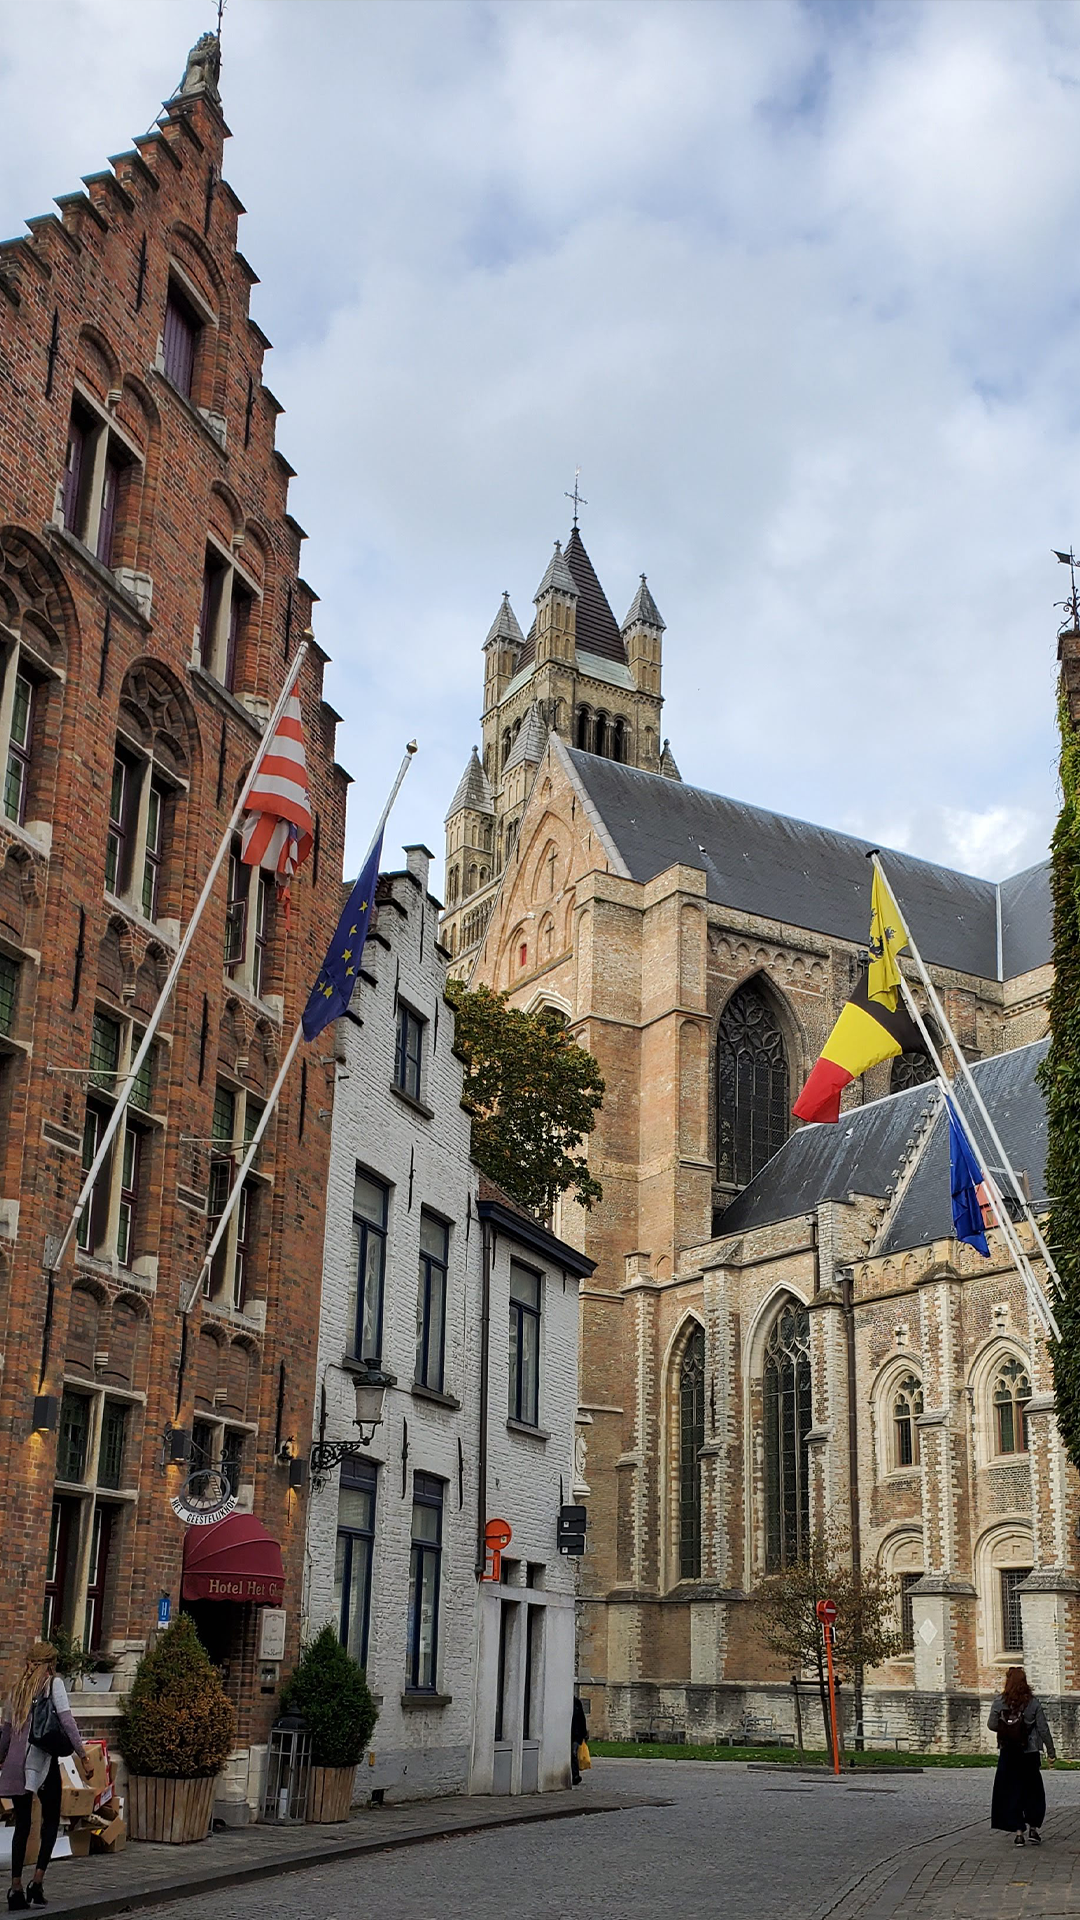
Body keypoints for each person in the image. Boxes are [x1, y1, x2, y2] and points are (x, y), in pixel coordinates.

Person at [0, 1641, 91, 1909]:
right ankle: (36, 1881)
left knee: (23, 1825)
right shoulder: (53, 1685)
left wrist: (2, 1759)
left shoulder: (15, 1691)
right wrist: (83, 1756)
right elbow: (67, 1722)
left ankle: (15, 1887)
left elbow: (5, 1734)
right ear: (50, 1664)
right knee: (51, 1820)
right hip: (43, 1761)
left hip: (16, 1765)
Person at [989, 1665, 1056, 1845]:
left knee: (1012, 1792)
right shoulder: (1032, 1703)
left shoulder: (1000, 1701)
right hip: (1029, 1752)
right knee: (1032, 1791)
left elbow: (991, 1724)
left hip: (1008, 1752)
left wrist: (1007, 1728)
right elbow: (1043, 1728)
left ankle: (1018, 1832)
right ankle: (1033, 1830)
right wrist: (1051, 1752)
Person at [571, 1694, 588, 1786]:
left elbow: (582, 1719)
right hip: (570, 1734)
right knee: (573, 1755)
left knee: (574, 1754)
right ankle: (575, 1775)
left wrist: (583, 1734)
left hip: (576, 1735)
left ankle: (575, 1775)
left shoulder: (576, 1703)